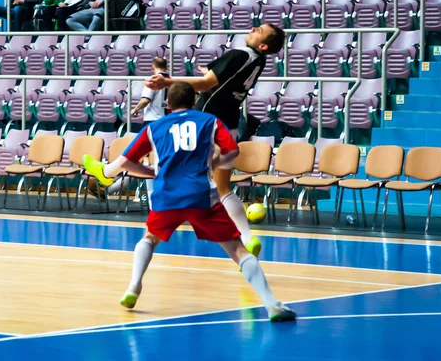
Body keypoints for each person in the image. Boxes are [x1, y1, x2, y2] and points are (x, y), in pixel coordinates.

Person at [82, 83, 296, 322]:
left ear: (168, 104)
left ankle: (134, 286)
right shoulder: (209, 121)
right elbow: (233, 151)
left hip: (167, 195)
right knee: (238, 251)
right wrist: (214, 164)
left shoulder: (155, 127)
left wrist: (150, 172)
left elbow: (126, 162)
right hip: (200, 194)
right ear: (194, 100)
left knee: (149, 238)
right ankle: (271, 304)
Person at [144, 24, 286, 260]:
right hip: (227, 124)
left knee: (173, 169)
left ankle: (156, 220)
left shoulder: (239, 54)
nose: (252, 28)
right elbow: (220, 80)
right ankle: (248, 237)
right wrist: (211, 73)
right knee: (223, 189)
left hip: (207, 122)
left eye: (258, 30)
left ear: (262, 45)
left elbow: (206, 84)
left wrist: (166, 83)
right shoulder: (258, 61)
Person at [129, 57, 169, 201]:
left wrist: (135, 109)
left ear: (153, 67)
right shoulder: (170, 80)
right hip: (167, 122)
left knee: (144, 158)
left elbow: (146, 99)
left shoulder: (153, 79)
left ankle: (151, 193)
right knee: (160, 158)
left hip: (152, 122)